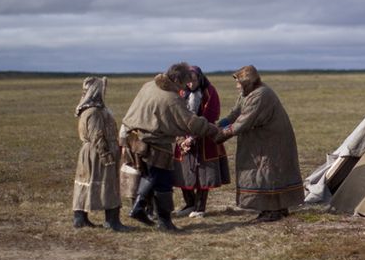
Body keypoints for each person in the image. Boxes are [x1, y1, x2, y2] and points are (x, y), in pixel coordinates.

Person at [121, 63, 222, 231]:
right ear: (176, 79)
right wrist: (213, 130)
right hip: (154, 143)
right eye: (183, 83)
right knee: (163, 183)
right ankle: (163, 221)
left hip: (134, 138)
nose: (184, 88)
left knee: (151, 177)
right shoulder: (171, 98)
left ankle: (140, 208)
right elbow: (191, 123)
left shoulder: (149, 85)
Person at [215, 65, 303, 222]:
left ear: (247, 82)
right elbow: (235, 114)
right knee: (267, 171)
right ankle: (277, 208)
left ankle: (272, 211)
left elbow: (243, 122)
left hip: (271, 140)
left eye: (239, 83)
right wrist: (219, 124)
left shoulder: (260, 94)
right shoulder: (246, 93)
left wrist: (218, 135)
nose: (237, 86)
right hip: (262, 139)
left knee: (267, 172)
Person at [72, 76, 130, 232]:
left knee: (87, 182)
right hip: (97, 152)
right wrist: (106, 155)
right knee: (108, 183)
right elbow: (97, 135)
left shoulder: (92, 110)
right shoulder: (94, 112)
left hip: (92, 151)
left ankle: (80, 218)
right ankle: (112, 221)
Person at [172, 66, 231, 218]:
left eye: (193, 80)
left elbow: (210, 116)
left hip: (205, 138)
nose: (190, 84)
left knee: (204, 174)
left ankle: (200, 207)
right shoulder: (180, 93)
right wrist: (182, 140)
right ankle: (189, 203)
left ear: (200, 78)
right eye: (188, 81)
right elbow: (176, 115)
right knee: (183, 171)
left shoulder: (210, 92)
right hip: (183, 138)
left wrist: (194, 137)